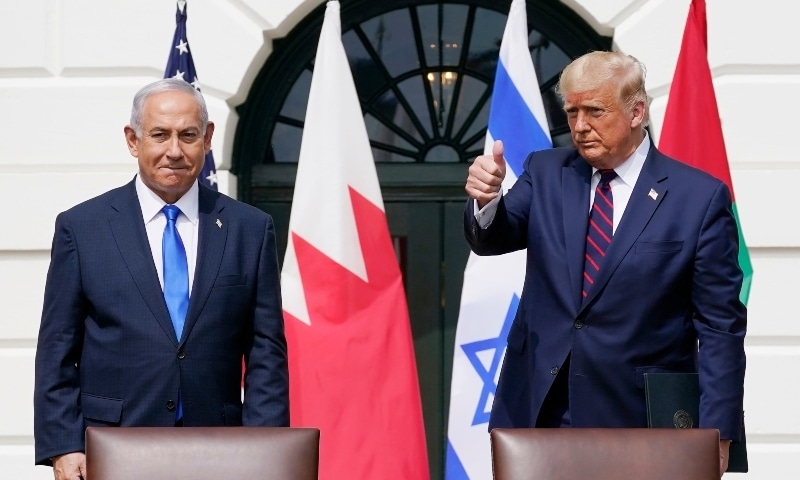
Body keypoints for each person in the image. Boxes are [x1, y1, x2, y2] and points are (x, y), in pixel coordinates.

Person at [465, 51, 745, 475]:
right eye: (572, 112)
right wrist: (485, 202)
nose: (579, 126)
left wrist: (718, 431)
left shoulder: (698, 198)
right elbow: (494, 236)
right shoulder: (547, 172)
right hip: (539, 415)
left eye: (595, 111)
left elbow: (720, 328)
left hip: (642, 421)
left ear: (637, 112)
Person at [34, 78, 289, 480]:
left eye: (188, 135)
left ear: (207, 140)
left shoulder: (249, 229)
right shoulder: (82, 228)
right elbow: (58, 349)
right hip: (112, 447)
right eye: (159, 135)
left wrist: (267, 449)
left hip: (220, 451)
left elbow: (265, 353)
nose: (174, 150)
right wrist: (63, 444)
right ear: (133, 140)